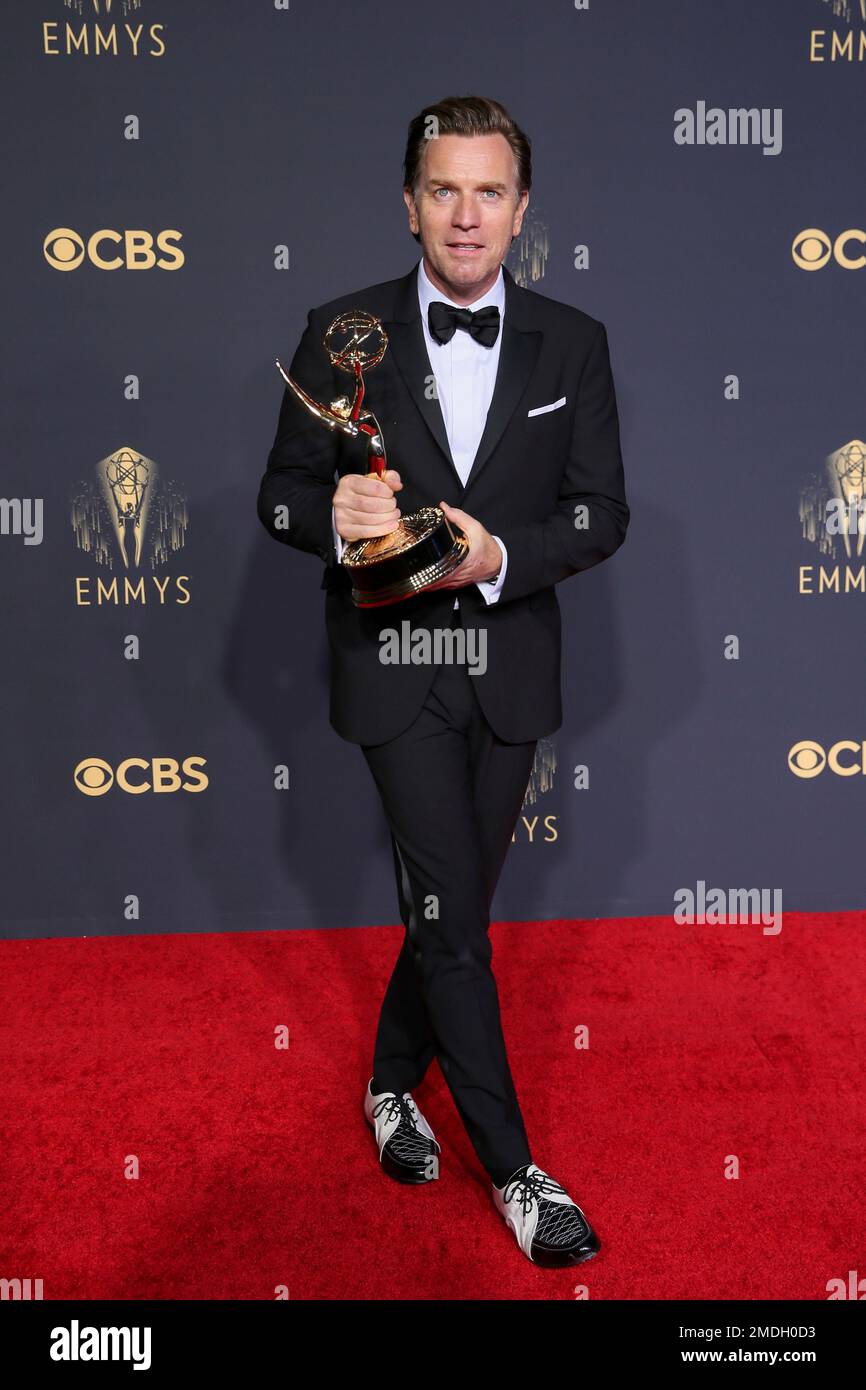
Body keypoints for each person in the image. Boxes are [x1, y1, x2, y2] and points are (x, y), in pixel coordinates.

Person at [257, 94, 629, 1267]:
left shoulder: (575, 341)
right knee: (457, 925)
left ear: (522, 212)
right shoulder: (340, 329)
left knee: (445, 909)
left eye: (488, 192)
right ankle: (518, 1172)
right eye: (441, 189)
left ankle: (383, 1085)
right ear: (407, 204)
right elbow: (276, 495)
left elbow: (598, 512)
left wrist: (497, 555)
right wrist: (333, 514)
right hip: (394, 661)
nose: (463, 215)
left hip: (506, 661)